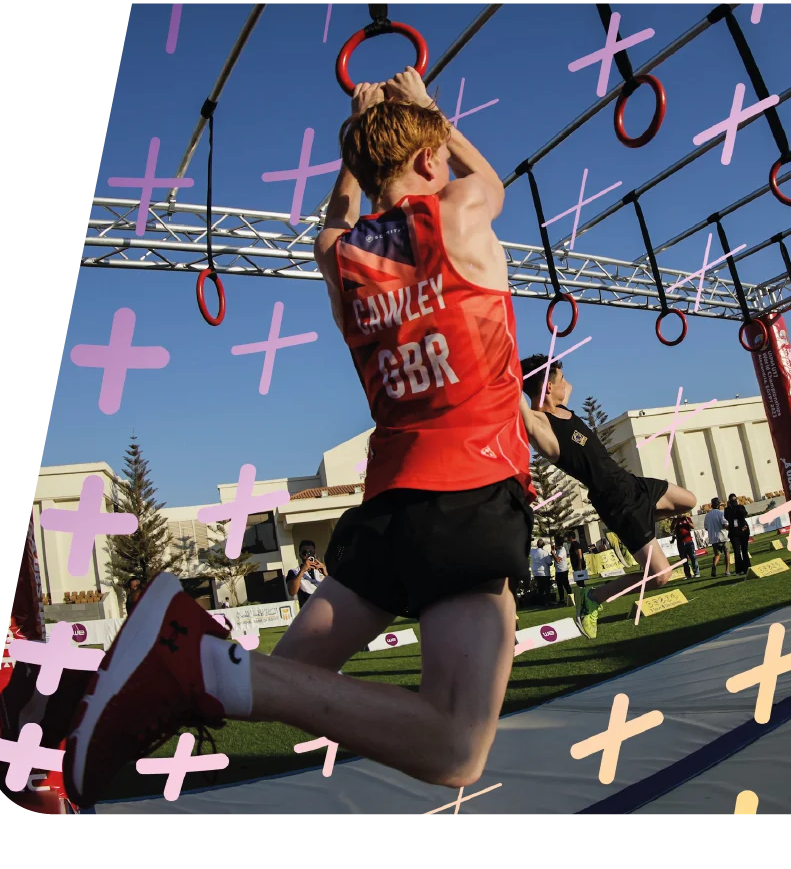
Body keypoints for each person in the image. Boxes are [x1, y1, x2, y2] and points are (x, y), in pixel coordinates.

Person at [62, 68, 538, 806]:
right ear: (425, 158)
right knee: (457, 749)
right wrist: (427, 110)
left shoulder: (340, 259)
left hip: (389, 511)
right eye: (436, 151)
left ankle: (72, 698)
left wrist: (363, 144)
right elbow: (489, 180)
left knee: (292, 675)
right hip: (472, 495)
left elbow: (332, 221)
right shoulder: (459, 216)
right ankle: (204, 664)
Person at [518, 356, 697, 638]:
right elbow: (524, 413)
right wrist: (506, 366)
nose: (568, 384)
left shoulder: (563, 406)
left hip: (630, 485)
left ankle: (641, 522)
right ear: (548, 389)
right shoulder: (541, 427)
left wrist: (550, 367)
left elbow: (559, 383)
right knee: (660, 576)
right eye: (561, 380)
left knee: (688, 500)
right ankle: (594, 598)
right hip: (615, 502)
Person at [286, 539, 328, 608]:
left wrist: (326, 574)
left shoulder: (322, 569)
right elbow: (292, 592)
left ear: (315, 554)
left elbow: (335, 589)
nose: (308, 555)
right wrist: (302, 571)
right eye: (305, 552)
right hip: (308, 612)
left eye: (311, 552)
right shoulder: (294, 572)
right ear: (300, 555)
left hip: (324, 609)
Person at [703, 498, 731, 578]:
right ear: (718, 505)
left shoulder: (707, 515)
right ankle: (727, 570)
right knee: (727, 553)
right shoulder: (721, 513)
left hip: (713, 538)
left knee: (717, 554)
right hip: (723, 536)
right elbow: (725, 525)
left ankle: (714, 566)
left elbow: (706, 527)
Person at [724, 493, 751, 575]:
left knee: (737, 551)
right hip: (743, 530)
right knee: (744, 550)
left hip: (734, 532)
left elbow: (726, 517)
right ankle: (747, 567)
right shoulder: (740, 507)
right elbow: (745, 514)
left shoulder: (727, 510)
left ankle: (739, 570)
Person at [672, 513, 699, 580]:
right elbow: (672, 528)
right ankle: (688, 575)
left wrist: (686, 519)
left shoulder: (687, 519)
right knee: (684, 559)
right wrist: (676, 519)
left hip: (689, 541)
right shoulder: (676, 520)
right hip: (680, 542)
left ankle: (697, 573)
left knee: (693, 557)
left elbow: (693, 526)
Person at [530, 539, 552, 607]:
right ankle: (547, 601)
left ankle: (542, 602)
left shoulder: (533, 551)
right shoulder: (545, 553)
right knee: (546, 588)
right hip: (544, 572)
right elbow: (549, 562)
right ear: (543, 545)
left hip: (535, 572)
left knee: (540, 588)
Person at [551, 539, 572, 606]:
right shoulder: (558, 550)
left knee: (566, 585)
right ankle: (562, 599)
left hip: (563, 571)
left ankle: (571, 598)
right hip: (558, 570)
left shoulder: (562, 550)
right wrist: (554, 551)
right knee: (559, 586)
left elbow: (557, 560)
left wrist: (553, 553)